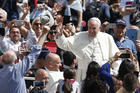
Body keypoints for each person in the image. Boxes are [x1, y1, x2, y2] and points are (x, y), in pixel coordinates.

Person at [55, 17, 120, 82]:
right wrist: (60, 35)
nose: (91, 31)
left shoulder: (107, 38)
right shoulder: (79, 36)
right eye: (89, 28)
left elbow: (116, 56)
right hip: (84, 75)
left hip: (102, 74)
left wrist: (115, 71)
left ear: (100, 28)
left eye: (94, 28)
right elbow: (64, 44)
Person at [0, 25, 50, 93]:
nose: (15, 34)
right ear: (9, 34)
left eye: (17, 32)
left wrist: (30, 29)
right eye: (13, 32)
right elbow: (35, 52)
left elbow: (34, 41)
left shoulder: (23, 44)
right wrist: (44, 33)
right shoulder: (18, 69)